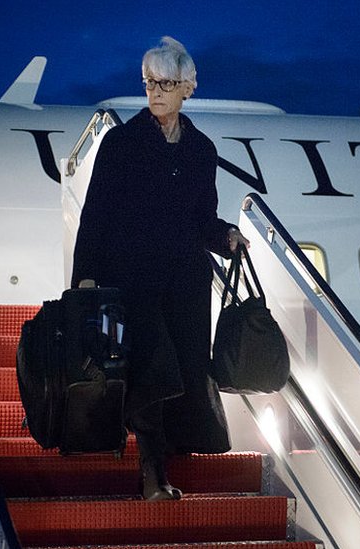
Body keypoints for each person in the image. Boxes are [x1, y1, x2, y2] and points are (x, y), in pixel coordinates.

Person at [71, 36, 248, 501]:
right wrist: (85, 276)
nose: (155, 92)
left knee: (186, 371)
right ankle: (153, 474)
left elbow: (202, 218)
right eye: (149, 82)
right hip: (133, 281)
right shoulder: (121, 143)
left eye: (166, 83)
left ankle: (172, 461)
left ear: (187, 88)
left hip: (186, 283)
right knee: (152, 370)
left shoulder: (201, 149)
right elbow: (96, 214)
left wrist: (226, 237)